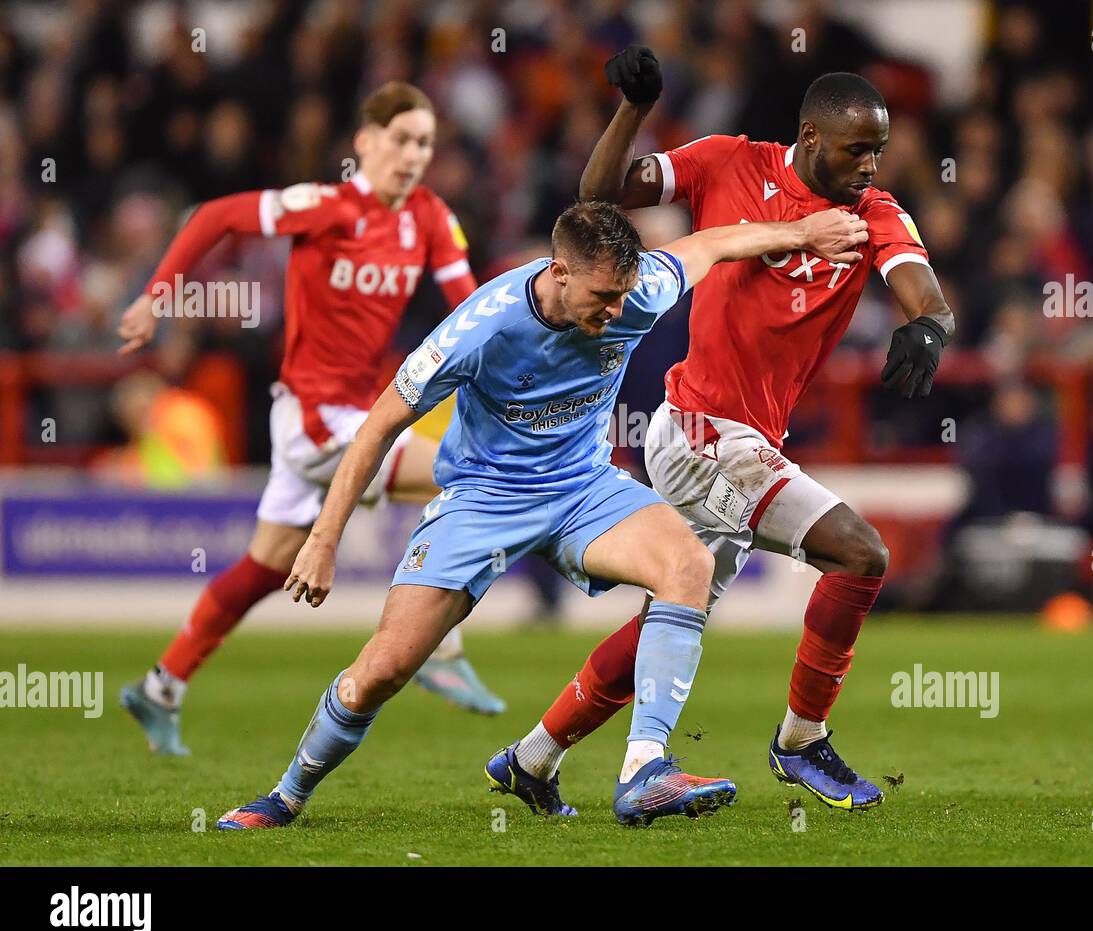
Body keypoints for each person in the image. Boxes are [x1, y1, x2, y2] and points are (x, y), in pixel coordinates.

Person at [215, 199, 870, 828]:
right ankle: (286, 796)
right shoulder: (482, 327)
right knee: (380, 673)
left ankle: (645, 770)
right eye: (601, 298)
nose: (617, 312)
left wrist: (805, 231)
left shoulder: (639, 290)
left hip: (582, 488)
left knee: (688, 565)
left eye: (623, 295)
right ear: (558, 272)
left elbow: (715, 242)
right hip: (483, 500)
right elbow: (378, 426)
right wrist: (323, 539)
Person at [504, 48, 958, 813]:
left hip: (748, 442)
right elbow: (598, 194)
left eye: (878, 148)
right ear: (812, 137)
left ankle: (532, 755)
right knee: (860, 554)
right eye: (857, 148)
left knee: (672, 612)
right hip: (698, 429)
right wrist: (633, 109)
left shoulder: (874, 214)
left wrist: (930, 330)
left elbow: (926, 295)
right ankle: (800, 742)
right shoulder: (727, 165)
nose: (870, 164)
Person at [118, 82, 505, 758]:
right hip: (315, 418)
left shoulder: (430, 217)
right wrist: (158, 295)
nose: (412, 155)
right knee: (461, 476)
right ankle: (441, 647)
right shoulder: (326, 206)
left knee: (266, 565)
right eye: (401, 140)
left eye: (424, 144)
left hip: (357, 411)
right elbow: (214, 217)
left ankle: (161, 685)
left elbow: (464, 307)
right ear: (365, 142)